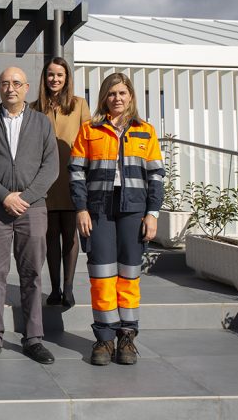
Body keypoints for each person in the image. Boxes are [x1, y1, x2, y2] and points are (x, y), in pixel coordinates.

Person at [69, 72, 164, 366]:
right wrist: (81, 209)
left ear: (131, 96)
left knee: (129, 275)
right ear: (104, 98)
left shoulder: (145, 131)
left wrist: (152, 213)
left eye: (122, 93)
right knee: (101, 276)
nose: (117, 98)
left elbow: (157, 175)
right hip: (99, 210)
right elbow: (76, 172)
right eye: (112, 94)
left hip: (133, 210)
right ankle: (104, 339)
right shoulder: (89, 130)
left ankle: (127, 337)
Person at [0, 67, 59, 364]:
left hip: (32, 209)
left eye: (16, 83)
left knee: (32, 274)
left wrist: (25, 197)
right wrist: (5, 196)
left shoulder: (42, 123)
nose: (11, 88)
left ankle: (33, 337)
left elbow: (51, 167)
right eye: (5, 83)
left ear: (27, 87)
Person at [31, 57, 91, 308]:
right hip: (45, 181)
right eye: (50, 75)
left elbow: (88, 139)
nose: (55, 79)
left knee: (71, 235)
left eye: (60, 75)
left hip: (72, 178)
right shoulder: (34, 107)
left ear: (67, 78)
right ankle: (54, 288)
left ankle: (68, 287)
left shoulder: (79, 104)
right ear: (44, 78)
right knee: (50, 236)